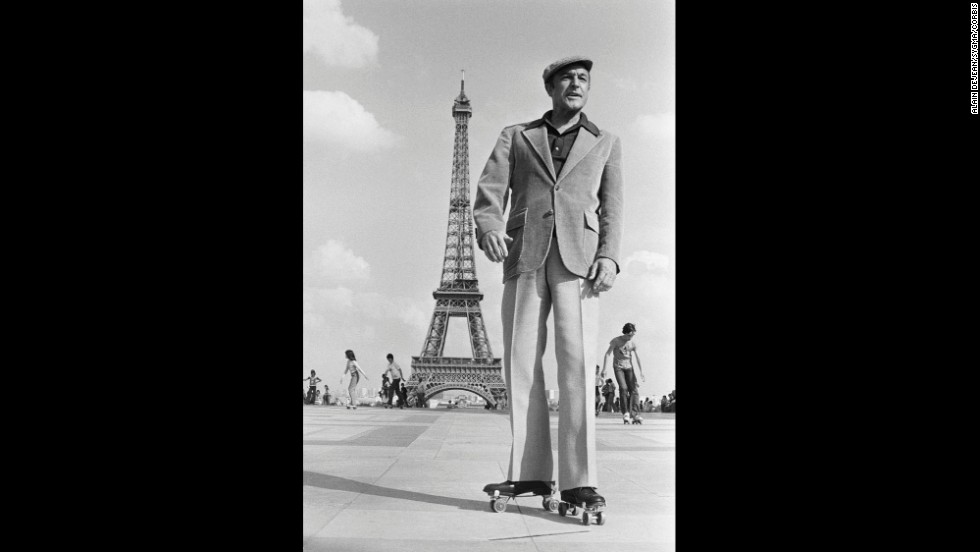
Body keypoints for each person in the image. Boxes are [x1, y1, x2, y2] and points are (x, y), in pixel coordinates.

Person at [474, 55, 623, 510]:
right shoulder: (516, 135)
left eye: (583, 79)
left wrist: (610, 257)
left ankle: (580, 481)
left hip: (580, 260)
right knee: (521, 362)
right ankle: (528, 474)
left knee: (577, 365)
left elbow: (612, 207)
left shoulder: (607, 142)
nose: (576, 84)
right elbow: (489, 192)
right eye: (567, 78)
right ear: (550, 87)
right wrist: (489, 228)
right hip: (525, 253)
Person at [602, 323, 645, 424]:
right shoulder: (616, 341)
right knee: (623, 388)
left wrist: (641, 371)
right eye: (630, 335)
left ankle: (635, 414)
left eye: (633, 335)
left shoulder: (632, 343)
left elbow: (637, 357)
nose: (631, 337)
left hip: (629, 368)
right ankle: (625, 412)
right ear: (625, 333)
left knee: (634, 390)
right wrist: (604, 369)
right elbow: (608, 354)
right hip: (618, 368)